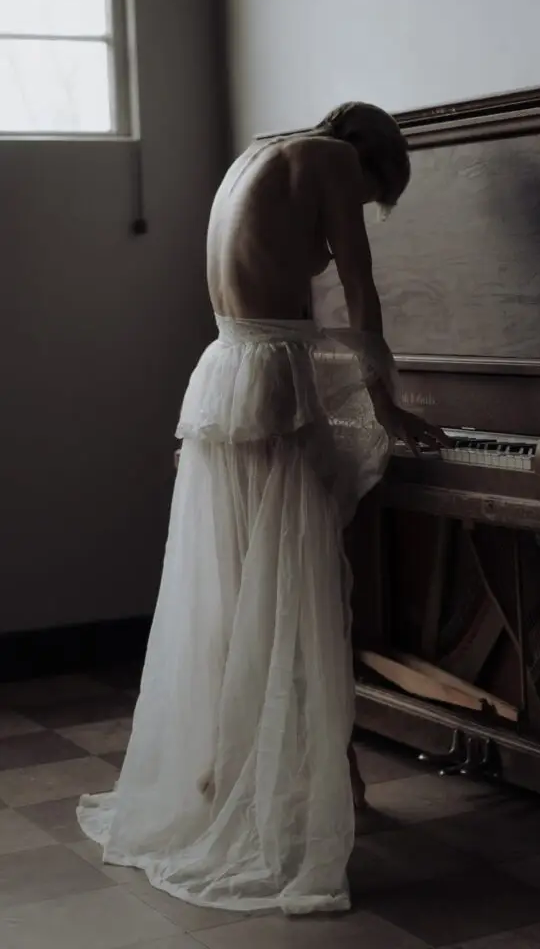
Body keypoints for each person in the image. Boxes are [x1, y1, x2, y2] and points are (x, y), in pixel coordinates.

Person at [76, 102, 446, 916]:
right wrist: (389, 410)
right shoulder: (334, 162)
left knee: (239, 586)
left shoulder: (259, 152)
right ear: (371, 160)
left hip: (224, 369)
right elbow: (358, 289)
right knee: (299, 589)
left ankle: (240, 777)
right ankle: (298, 798)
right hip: (273, 375)